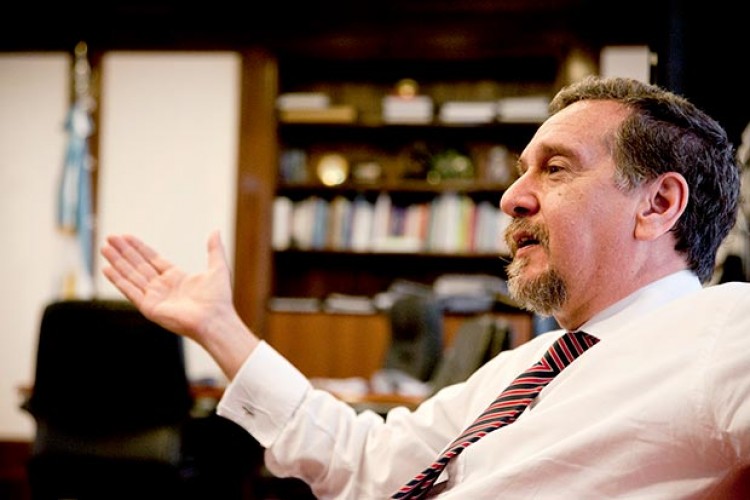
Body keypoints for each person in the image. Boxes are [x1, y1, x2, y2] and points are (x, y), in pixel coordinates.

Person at [101, 76, 750, 499]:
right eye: (520, 171)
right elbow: (365, 462)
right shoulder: (522, 370)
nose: (511, 197)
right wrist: (219, 327)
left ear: (658, 204)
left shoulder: (726, 329)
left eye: (555, 169)